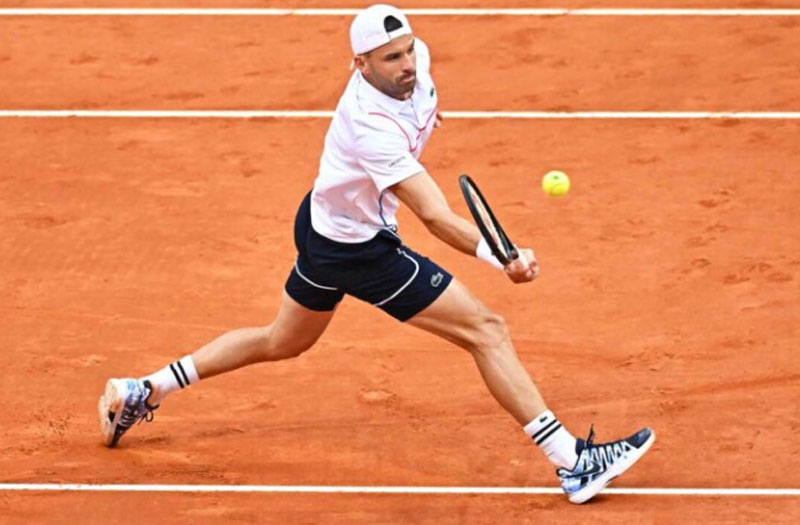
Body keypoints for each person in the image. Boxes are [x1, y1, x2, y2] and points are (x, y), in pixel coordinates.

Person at [98, 4, 654, 504]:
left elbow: (420, 95)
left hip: (321, 222)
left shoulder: (415, 63)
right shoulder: (371, 127)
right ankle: (571, 462)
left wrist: (427, 115)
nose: (407, 64)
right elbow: (434, 216)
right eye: (391, 58)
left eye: (409, 50)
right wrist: (501, 256)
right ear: (359, 65)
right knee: (486, 330)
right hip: (358, 249)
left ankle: (146, 389)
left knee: (282, 340)